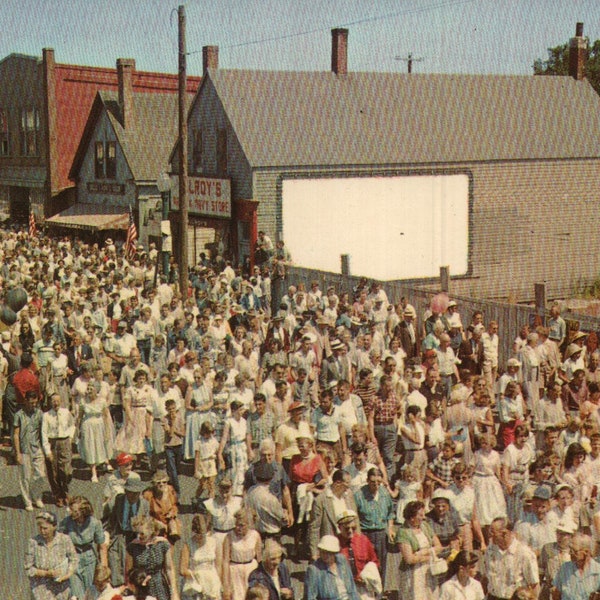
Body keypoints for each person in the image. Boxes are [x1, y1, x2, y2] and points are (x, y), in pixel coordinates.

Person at [59, 495, 108, 599]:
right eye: (70, 509)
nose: (70, 512)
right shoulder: (66, 522)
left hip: (89, 560)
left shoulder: (95, 523)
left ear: (83, 511)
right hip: (73, 559)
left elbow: (102, 546)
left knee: (90, 592)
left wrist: (104, 567)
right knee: (77, 594)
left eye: (74, 510)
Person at [106, 477, 150, 587]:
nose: (134, 496)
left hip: (136, 536)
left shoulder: (144, 504)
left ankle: (133, 586)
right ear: (126, 491)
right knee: (116, 561)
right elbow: (109, 518)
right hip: (120, 534)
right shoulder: (118, 500)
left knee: (133, 563)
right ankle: (119, 586)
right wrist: (108, 534)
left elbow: (147, 523)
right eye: (131, 493)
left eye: (137, 493)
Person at [481, 516, 539, 600]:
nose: (490, 536)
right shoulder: (490, 551)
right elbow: (486, 579)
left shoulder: (524, 553)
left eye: (493, 532)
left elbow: (534, 585)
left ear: (505, 533)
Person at [24, 510, 78, 600]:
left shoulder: (64, 539)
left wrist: (67, 574)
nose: (42, 531)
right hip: (41, 587)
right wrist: (45, 573)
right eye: (40, 528)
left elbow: (74, 559)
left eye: (45, 528)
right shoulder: (33, 542)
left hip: (62, 586)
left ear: (54, 526)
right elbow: (28, 569)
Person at [395, 501, 442, 600]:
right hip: (413, 572)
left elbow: (438, 546)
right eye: (420, 515)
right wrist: (430, 555)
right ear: (412, 517)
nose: (424, 517)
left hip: (430, 569)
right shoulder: (403, 532)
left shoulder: (425, 526)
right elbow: (409, 559)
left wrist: (422, 553)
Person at [125, 515, 180, 600]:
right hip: (141, 588)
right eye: (137, 533)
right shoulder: (132, 546)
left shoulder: (163, 544)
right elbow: (128, 573)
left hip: (159, 586)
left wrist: (174, 592)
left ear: (151, 531)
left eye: (142, 533)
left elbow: (169, 569)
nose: (138, 536)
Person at [309, 469, 359, 560]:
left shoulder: (349, 495)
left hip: (348, 544)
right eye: (347, 483)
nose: (349, 486)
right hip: (330, 545)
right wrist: (315, 553)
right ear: (337, 483)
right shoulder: (321, 500)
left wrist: (359, 542)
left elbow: (356, 520)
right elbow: (314, 528)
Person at [353, 467, 394, 576]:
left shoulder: (384, 493)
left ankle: (380, 591)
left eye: (379, 482)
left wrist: (390, 528)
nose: (376, 485)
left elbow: (390, 512)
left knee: (381, 564)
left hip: (381, 533)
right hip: (365, 533)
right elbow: (354, 516)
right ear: (367, 480)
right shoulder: (359, 495)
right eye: (373, 482)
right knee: (366, 565)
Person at [336, 510, 381, 600]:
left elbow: (374, 562)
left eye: (353, 528)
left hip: (363, 586)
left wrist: (366, 577)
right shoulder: (335, 543)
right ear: (339, 527)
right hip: (343, 587)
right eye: (346, 528)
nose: (350, 531)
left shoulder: (363, 540)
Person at [14, 389, 46, 510]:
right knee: (25, 477)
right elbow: (16, 434)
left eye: (35, 403)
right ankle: (27, 501)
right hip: (24, 449)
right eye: (31, 403)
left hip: (37, 447)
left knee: (41, 474)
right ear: (25, 401)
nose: (33, 405)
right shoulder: (19, 415)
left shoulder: (39, 413)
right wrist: (17, 453)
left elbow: (43, 431)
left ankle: (37, 496)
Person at [42, 391, 75, 507]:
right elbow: (44, 434)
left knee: (65, 471)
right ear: (50, 402)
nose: (55, 403)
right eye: (53, 401)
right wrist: (47, 451)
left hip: (64, 441)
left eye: (57, 401)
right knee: (53, 471)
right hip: (52, 443)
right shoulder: (46, 416)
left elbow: (72, 425)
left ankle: (65, 492)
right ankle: (58, 495)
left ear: (61, 401)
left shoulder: (66, 412)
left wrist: (70, 438)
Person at [304, 534, 360, 600]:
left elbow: (352, 589)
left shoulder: (342, 560)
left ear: (335, 553)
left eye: (328, 552)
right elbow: (310, 597)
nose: (325, 555)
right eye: (322, 552)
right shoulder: (314, 570)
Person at [222, 508, 262, 600]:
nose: (237, 528)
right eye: (236, 525)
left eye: (241, 525)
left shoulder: (255, 535)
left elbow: (260, 559)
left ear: (248, 524)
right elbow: (225, 561)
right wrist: (226, 584)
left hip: (251, 571)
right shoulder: (229, 537)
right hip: (235, 572)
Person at [180, 513, 221, 600]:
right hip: (195, 581)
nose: (201, 537)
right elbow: (182, 570)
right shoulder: (188, 544)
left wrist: (219, 582)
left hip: (212, 580)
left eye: (203, 534)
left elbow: (218, 566)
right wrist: (195, 574)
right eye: (198, 534)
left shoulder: (214, 542)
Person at [143, 471, 181, 544]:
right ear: (154, 484)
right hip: (155, 527)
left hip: (169, 527)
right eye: (158, 483)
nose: (162, 485)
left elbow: (174, 505)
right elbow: (144, 515)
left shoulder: (170, 490)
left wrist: (172, 512)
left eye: (164, 482)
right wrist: (156, 523)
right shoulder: (148, 495)